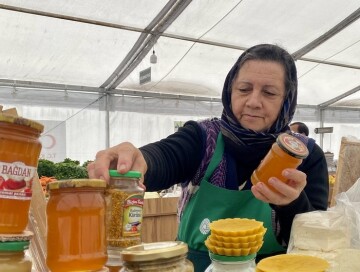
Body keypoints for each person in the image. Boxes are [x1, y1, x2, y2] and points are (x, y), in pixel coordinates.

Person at [88, 44, 329, 272]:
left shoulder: (303, 156)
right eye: (244, 89)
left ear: (287, 100)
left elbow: (316, 240)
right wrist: (139, 160)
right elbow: (164, 156)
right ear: (229, 91)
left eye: (269, 93)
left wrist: (292, 205)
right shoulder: (203, 139)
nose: (254, 102)